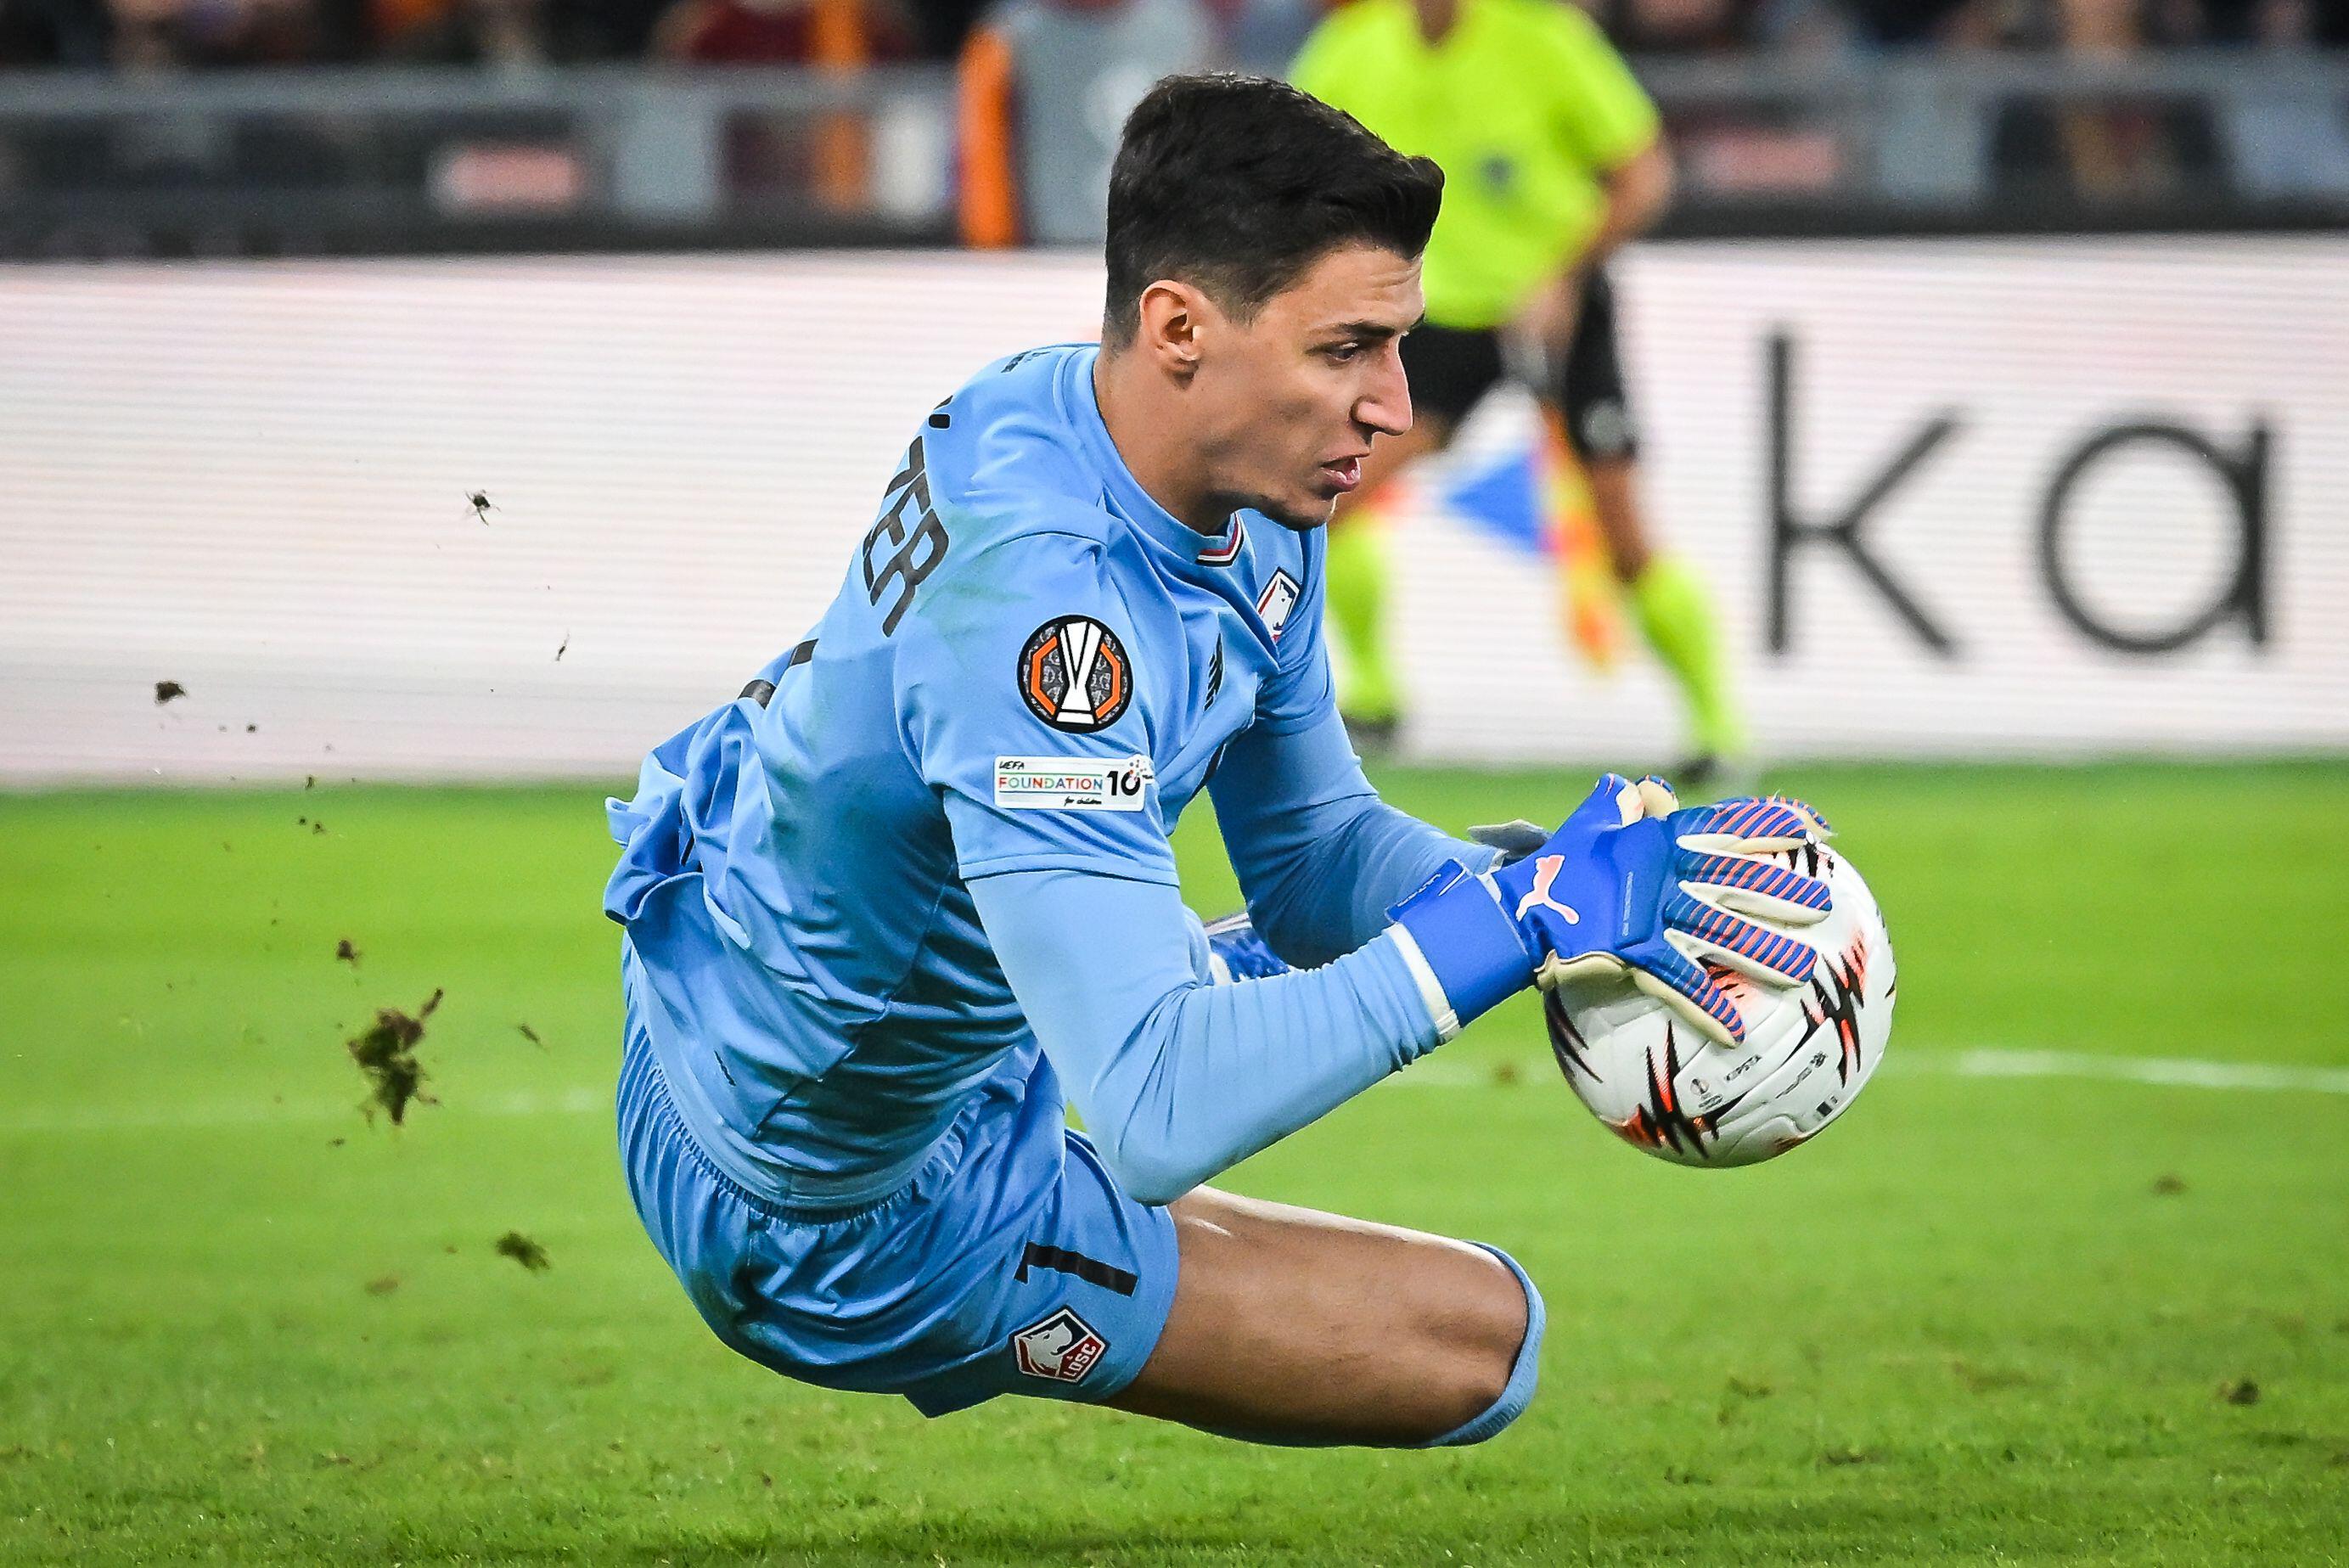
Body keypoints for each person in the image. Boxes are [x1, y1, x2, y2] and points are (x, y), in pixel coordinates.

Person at [604, 73, 1834, 1447]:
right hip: (832, 1208)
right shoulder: (1044, 618)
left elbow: (1312, 859)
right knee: (1485, 1345)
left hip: (754, 1002)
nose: (1390, 404)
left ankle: (1178, 973)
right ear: (1178, 326)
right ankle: (1161, 1007)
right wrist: (1510, 922)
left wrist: (1543, 886)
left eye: (1398, 345)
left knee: (1223, 961)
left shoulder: (1130, 437)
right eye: (1345, 349)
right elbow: (1155, 1112)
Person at [1290, 0, 1744, 783]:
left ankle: (1716, 727)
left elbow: (1641, 176)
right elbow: (1285, 175)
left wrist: (1564, 273)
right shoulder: (1351, 47)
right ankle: (1373, 695)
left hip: (1556, 305)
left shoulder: (1543, 37)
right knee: (1332, 495)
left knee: (1620, 533)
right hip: (1432, 317)